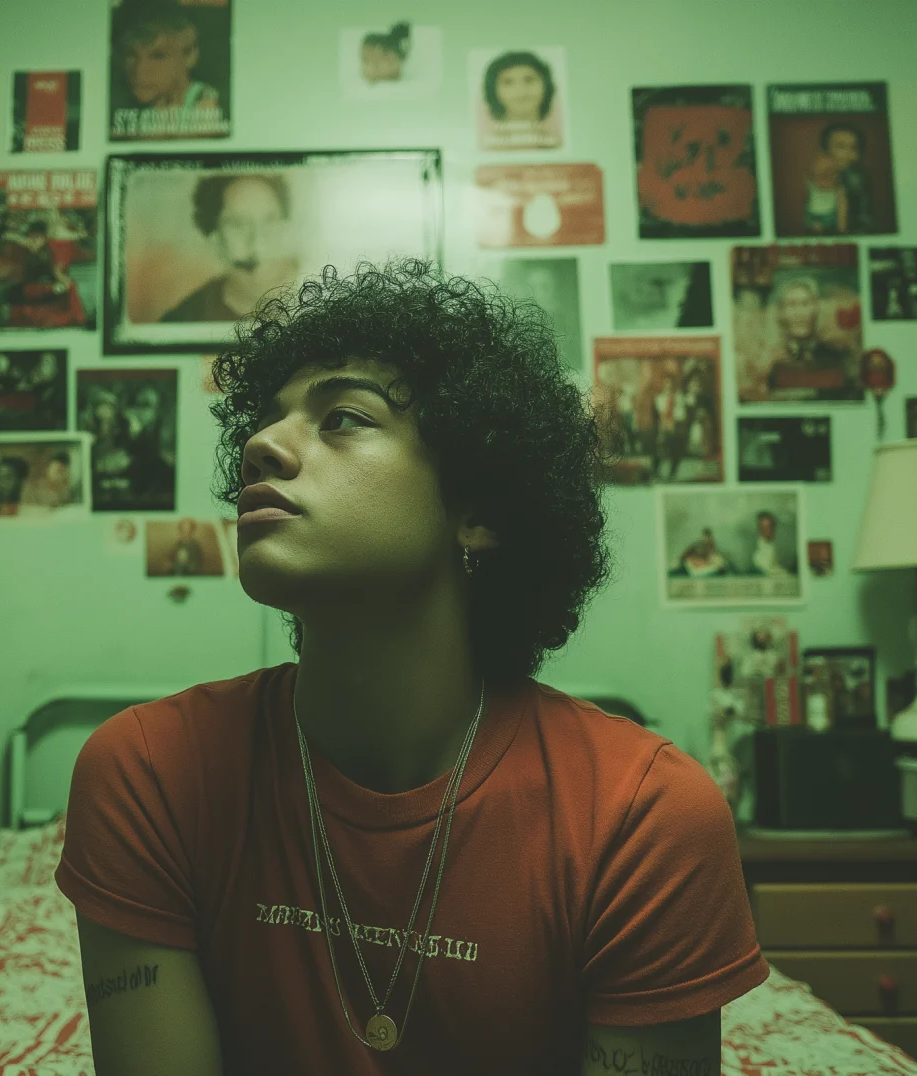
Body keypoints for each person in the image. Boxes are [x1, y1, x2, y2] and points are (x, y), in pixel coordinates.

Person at [59, 260, 764, 1073]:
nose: (259, 445)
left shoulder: (642, 819)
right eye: (267, 418)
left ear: (478, 510)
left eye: (342, 418)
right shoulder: (150, 772)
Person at [160, 174, 298, 323]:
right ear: (215, 240)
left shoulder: (312, 295)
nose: (258, 245)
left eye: (270, 221)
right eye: (238, 225)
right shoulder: (184, 321)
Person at [116, 1, 221, 114]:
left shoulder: (209, 105)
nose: (140, 70)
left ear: (190, 56)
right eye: (131, 55)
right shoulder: (140, 109)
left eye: (158, 56)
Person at [0, 217, 86, 329]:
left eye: (38, 238)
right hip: (27, 289)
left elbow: (56, 272)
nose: (34, 241)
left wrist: (61, 281)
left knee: (70, 287)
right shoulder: (21, 252)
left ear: (44, 239)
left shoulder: (48, 252)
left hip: (44, 288)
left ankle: (78, 320)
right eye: (32, 238)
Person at [764, 279, 854, 396]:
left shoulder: (838, 357)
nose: (799, 313)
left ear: (815, 309)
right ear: (781, 313)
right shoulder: (770, 363)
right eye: (792, 305)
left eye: (805, 304)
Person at [803, 122, 872, 234]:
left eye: (854, 148)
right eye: (841, 147)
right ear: (825, 150)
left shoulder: (857, 179)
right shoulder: (815, 174)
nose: (848, 154)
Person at [481, 50, 557, 148]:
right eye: (508, 82)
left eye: (529, 80)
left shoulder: (556, 144)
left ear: (546, 86)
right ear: (493, 91)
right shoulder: (488, 147)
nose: (520, 91)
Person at [751, 511, 791, 577]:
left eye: (769, 526)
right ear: (759, 528)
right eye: (764, 527)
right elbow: (766, 569)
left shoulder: (779, 546)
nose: (768, 530)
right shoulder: (757, 552)